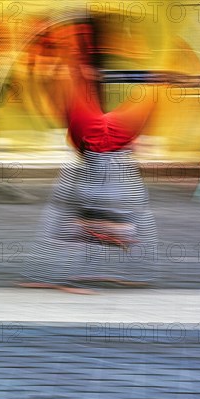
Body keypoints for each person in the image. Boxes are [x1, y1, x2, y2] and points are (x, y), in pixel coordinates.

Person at [19, 20, 158, 294]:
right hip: (99, 154)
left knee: (69, 209)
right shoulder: (74, 81)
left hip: (98, 154)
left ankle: (63, 267)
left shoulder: (77, 83)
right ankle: (95, 244)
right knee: (92, 213)